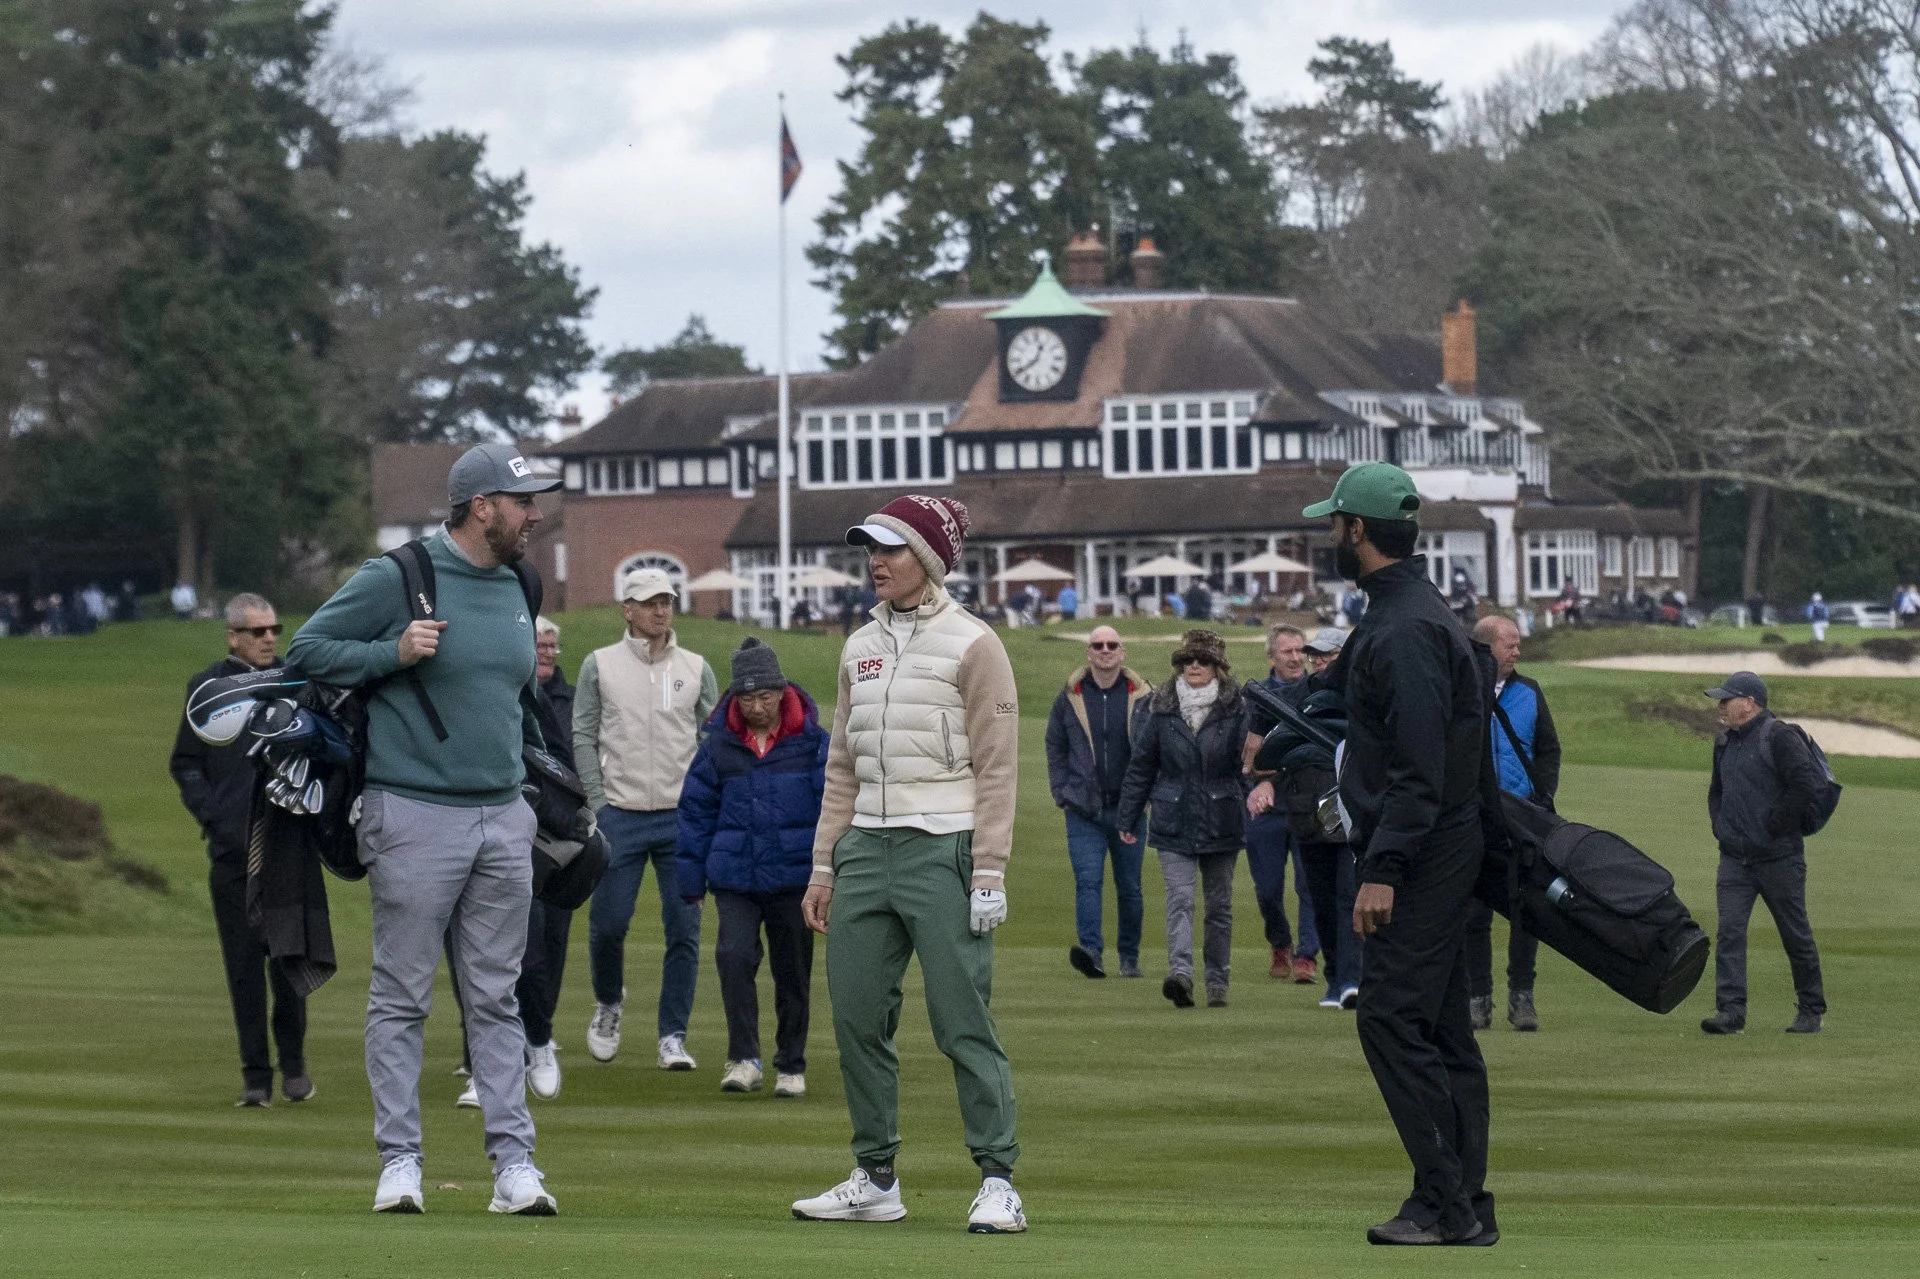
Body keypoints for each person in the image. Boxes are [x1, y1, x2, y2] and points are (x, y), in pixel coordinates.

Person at [287, 441, 561, 1215]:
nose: (534, 515)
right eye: (523, 502)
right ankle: (400, 1161)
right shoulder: (399, 575)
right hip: (411, 812)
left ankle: (515, 1167)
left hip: (503, 815)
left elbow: (516, 702)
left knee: (497, 998)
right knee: (402, 996)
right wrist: (392, 651)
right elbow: (307, 650)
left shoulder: (521, 581)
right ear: (482, 506)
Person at [791, 494, 1026, 1234]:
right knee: (857, 1019)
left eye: (891, 549)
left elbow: (997, 766)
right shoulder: (858, 645)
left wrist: (989, 869)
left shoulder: (974, 644)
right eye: (872, 549)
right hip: (864, 847)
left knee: (962, 1022)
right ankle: (876, 1177)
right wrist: (824, 865)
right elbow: (842, 765)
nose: (877, 562)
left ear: (928, 558)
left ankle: (998, 1179)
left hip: (944, 847)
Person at [1306, 462, 1497, 1246]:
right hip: (1436, 845)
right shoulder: (1400, 612)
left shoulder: (1406, 626)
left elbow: (1421, 769)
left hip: (1423, 852)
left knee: (1387, 1018)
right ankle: (1461, 1203)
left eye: (1334, 523)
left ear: (1357, 530)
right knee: (1442, 1027)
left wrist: (1382, 869)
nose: (1329, 534)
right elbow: (1356, 708)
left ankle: (1446, 1205)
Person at [169, 592, 310, 1109]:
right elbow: (185, 763)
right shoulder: (208, 689)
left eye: (274, 629)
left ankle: (294, 1065)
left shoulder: (294, 682)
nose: (269, 638)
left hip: (287, 845)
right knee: (244, 968)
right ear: (232, 636)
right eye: (257, 631)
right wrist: (217, 819)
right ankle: (256, 1077)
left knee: (290, 963)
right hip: (232, 854)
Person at [576, 569, 718, 1071]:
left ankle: (672, 1036)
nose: (661, 610)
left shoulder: (695, 667)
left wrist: (704, 803)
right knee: (609, 924)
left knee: (684, 929)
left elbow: (711, 741)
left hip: (681, 819)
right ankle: (608, 1003)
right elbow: (583, 735)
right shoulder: (600, 665)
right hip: (621, 814)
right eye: (650, 602)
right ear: (628, 609)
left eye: (667, 601)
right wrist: (598, 803)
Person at [677, 637, 828, 1098]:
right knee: (733, 958)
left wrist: (829, 871)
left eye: (764, 696)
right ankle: (744, 1059)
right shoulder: (718, 746)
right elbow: (695, 812)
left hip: (794, 878)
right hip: (735, 876)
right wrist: (691, 882)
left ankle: (791, 1064)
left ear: (781, 692)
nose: (756, 707)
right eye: (747, 699)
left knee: (792, 971)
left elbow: (832, 808)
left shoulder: (812, 743)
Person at [452, 614, 579, 1107]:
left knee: (531, 957)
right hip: (459, 834)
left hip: (523, 838)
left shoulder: (530, 698)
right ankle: (482, 1069)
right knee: (470, 959)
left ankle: (539, 1041)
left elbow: (560, 764)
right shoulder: (453, 695)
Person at [1117, 629, 1252, 1010]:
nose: (1194, 666)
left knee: (1219, 906)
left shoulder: (1238, 708)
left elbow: (1247, 764)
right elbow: (1142, 765)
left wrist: (1256, 797)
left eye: (1203, 660)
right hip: (1172, 816)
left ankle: (1217, 982)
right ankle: (1181, 975)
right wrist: (1128, 817)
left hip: (1222, 817)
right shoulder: (1160, 706)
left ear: (1218, 667)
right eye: (1187, 660)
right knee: (1179, 899)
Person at [1701, 672, 1828, 1036]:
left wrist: (1775, 825)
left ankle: (1811, 1009)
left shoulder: (1779, 737)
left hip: (1779, 858)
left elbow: (1805, 783)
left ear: (1750, 703)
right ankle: (1731, 1011)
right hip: (1734, 858)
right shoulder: (1724, 741)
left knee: (1795, 934)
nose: (1721, 705)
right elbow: (1717, 791)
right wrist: (1721, 826)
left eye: (1727, 699)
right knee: (1729, 934)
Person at [1462, 615, 1560, 1033]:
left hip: (1523, 819)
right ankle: (1477, 998)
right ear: (1486, 648)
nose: (1517, 651)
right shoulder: (1462, 690)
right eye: (1510, 644)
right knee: (1474, 914)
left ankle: (1522, 997)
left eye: (1518, 644)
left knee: (1526, 912)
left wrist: (1542, 798)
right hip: (1474, 818)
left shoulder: (1530, 692)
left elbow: (1548, 750)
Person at [1044, 625, 1152, 980]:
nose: (1105, 650)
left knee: (1130, 887)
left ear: (1122, 652)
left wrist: (1146, 795)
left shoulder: (1142, 697)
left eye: (1112, 645)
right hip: (1084, 809)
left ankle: (1129, 957)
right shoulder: (1070, 696)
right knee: (1088, 881)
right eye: (1098, 645)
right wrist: (1062, 791)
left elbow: (1155, 748)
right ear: (1088, 652)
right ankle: (1091, 952)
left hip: (1129, 810)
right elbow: (1055, 744)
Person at [1240, 624, 1320, 985]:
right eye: (1287, 651)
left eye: (1300, 650)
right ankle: (1279, 942)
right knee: (1268, 889)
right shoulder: (1254, 699)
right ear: (1271, 657)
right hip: (1265, 810)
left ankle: (1306, 956)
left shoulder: (1317, 696)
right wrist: (1256, 785)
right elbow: (1242, 753)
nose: (1296, 658)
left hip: (1308, 804)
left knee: (1310, 885)